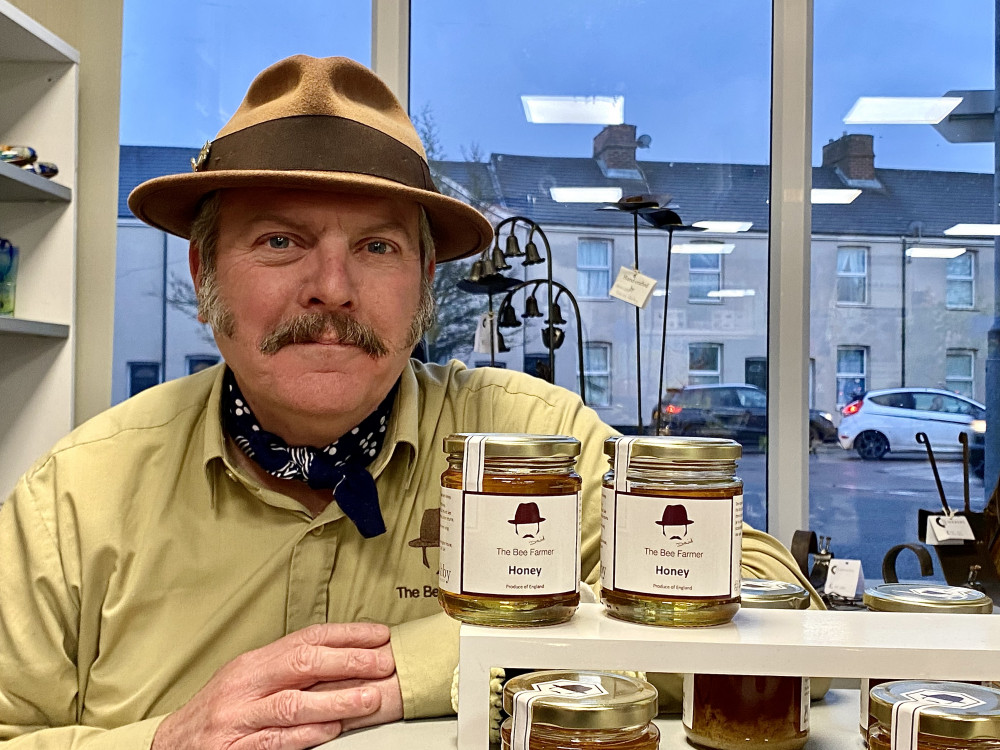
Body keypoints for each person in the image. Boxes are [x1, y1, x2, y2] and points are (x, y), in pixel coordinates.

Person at [0, 55, 819, 748]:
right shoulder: (78, 497)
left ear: (425, 286)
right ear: (204, 275)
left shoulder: (531, 439)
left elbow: (772, 619)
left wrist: (441, 659)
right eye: (280, 241)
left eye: (377, 248)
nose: (331, 289)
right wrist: (163, 739)